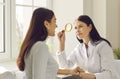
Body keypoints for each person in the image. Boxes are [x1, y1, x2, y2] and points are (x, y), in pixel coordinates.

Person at [16, 7, 83, 79]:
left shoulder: (33, 44)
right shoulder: (40, 47)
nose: (56, 26)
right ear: (46, 24)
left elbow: (46, 69)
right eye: (54, 21)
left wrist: (70, 71)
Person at [57, 15, 119, 79]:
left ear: (90, 27)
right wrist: (61, 44)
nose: (77, 30)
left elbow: (109, 74)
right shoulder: (78, 49)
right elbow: (65, 67)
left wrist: (92, 76)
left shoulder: (103, 46)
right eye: (75, 28)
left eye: (80, 26)